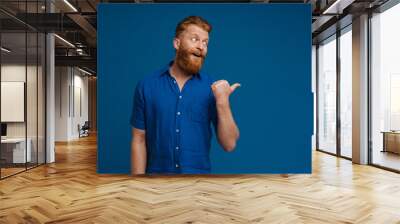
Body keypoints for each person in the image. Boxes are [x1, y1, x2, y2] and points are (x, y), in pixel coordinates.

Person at [130, 16, 240, 174]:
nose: (201, 47)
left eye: (205, 42)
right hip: (157, 185)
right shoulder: (147, 85)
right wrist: (137, 184)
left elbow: (229, 144)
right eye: (195, 39)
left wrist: (223, 102)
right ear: (177, 43)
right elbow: (138, 140)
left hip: (199, 185)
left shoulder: (213, 88)